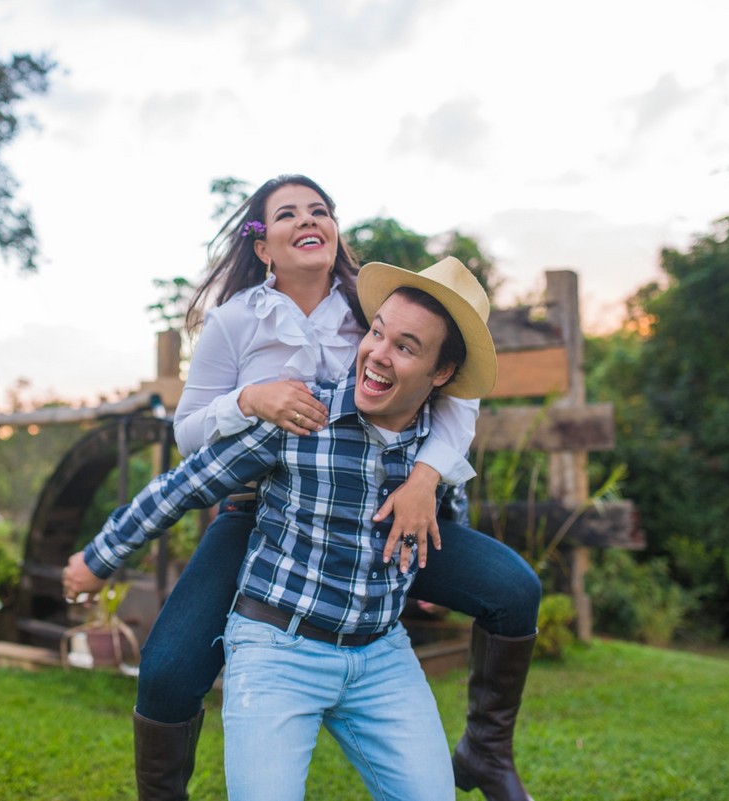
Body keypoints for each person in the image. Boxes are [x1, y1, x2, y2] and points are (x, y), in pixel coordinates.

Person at [75, 176, 539, 801]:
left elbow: (454, 398)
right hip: (257, 504)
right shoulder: (236, 320)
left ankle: (485, 749)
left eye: (319, 210)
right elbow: (189, 442)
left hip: (389, 503)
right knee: (168, 670)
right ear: (262, 245)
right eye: (287, 214)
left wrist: (427, 478)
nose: (307, 220)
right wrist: (250, 399)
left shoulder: (374, 306)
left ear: (335, 229)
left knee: (513, 588)